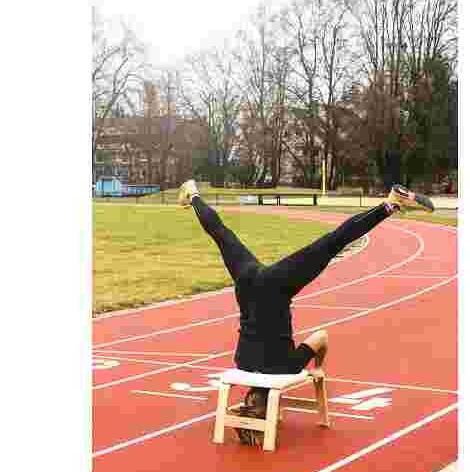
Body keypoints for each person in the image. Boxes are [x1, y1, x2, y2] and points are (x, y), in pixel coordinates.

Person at [178, 180, 434, 445]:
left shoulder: (287, 367)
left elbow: (321, 337)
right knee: (222, 234)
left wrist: (318, 365)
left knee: (332, 243)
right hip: (249, 279)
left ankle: (390, 204)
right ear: (251, 396)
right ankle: (194, 194)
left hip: (277, 284)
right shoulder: (242, 361)